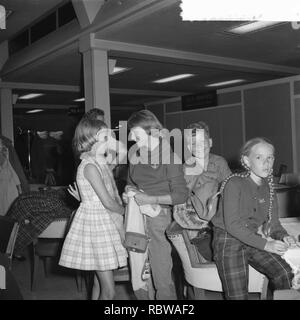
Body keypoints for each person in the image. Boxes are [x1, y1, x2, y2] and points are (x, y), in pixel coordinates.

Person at [211, 137, 296, 300]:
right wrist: (266, 244)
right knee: (238, 296)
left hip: (250, 237)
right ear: (246, 161)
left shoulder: (269, 188)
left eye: (270, 157)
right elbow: (233, 225)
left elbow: (274, 224)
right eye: (259, 157)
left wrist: (284, 237)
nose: (266, 162)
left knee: (285, 273)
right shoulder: (234, 183)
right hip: (227, 239)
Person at [59, 117, 127, 300]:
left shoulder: (94, 163)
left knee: (99, 283)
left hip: (97, 222)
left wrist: (84, 198)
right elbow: (107, 202)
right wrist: (128, 213)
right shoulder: (90, 166)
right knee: (110, 291)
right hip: (98, 226)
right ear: (91, 139)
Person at [123, 110, 188, 300]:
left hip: (158, 216)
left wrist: (150, 199)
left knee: (160, 272)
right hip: (136, 215)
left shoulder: (170, 156)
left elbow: (181, 195)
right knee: (139, 268)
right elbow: (131, 183)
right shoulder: (135, 154)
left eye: (136, 134)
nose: (132, 139)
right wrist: (127, 192)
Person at [0, 138, 22, 216]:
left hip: (10, 188)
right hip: (1, 188)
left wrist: (19, 187)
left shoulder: (7, 158)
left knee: (10, 210)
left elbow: (14, 173)